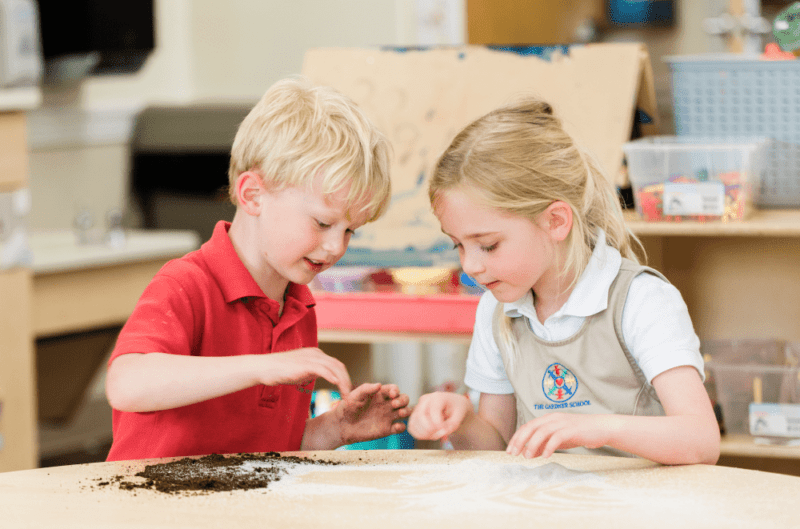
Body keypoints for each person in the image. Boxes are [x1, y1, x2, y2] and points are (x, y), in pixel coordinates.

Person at [105, 77, 409, 461]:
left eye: (350, 230)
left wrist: (334, 428)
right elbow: (127, 384)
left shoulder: (298, 308)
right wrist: (262, 367)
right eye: (321, 223)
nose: (336, 247)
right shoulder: (186, 284)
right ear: (253, 195)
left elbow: (269, 449)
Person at [408, 98, 720, 465]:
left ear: (556, 221)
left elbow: (701, 440)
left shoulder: (640, 299)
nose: (471, 266)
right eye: (458, 245)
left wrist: (596, 428)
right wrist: (461, 419)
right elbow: (495, 447)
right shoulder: (497, 308)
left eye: (488, 245)